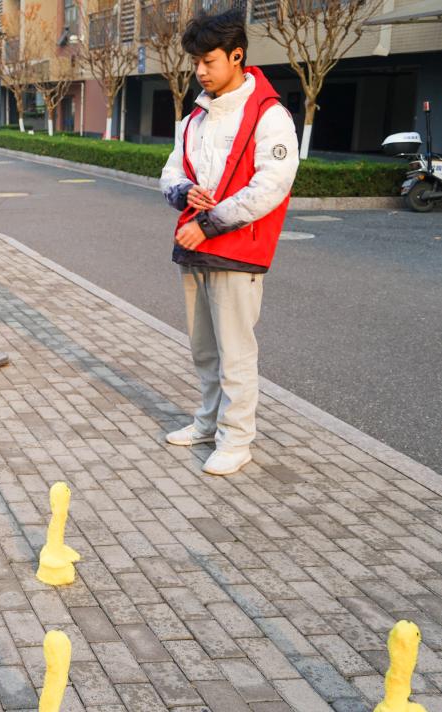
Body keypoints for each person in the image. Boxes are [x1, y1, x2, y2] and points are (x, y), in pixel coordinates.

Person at [159, 10, 298, 476]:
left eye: (209, 61)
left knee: (235, 352)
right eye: (196, 62)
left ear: (237, 56)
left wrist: (208, 223)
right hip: (194, 247)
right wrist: (184, 192)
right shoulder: (196, 117)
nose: (200, 70)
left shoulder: (269, 114)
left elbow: (271, 187)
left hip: (237, 251)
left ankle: (237, 440)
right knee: (204, 349)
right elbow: (170, 172)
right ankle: (208, 423)